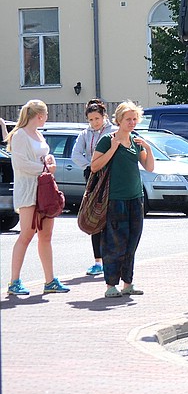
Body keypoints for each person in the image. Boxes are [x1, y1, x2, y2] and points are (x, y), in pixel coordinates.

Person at [90, 100, 154, 298]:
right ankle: (111, 285)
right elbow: (94, 166)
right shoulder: (107, 140)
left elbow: (149, 167)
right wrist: (113, 149)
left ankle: (128, 283)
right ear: (119, 120)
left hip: (136, 198)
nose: (132, 122)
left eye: (135, 119)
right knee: (114, 243)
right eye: (128, 119)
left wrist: (148, 149)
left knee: (132, 242)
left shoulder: (136, 140)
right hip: (115, 199)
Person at [6, 100, 70, 295]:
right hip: (28, 190)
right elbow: (21, 164)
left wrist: (51, 162)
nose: (47, 117)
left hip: (45, 189)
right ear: (39, 116)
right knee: (26, 233)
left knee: (46, 235)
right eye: (46, 114)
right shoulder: (20, 136)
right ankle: (14, 281)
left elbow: (46, 156)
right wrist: (45, 168)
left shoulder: (39, 134)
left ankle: (50, 280)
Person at [71, 98, 116, 276]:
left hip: (112, 176)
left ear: (104, 116)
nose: (94, 123)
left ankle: (112, 259)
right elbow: (75, 154)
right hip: (93, 177)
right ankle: (98, 261)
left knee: (111, 217)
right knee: (95, 216)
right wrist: (90, 166)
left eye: (97, 118)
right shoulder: (85, 134)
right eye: (91, 120)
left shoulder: (113, 131)